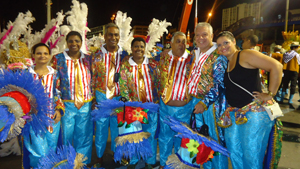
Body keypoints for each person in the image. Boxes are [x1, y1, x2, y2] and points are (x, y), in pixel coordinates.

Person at [216, 31, 282, 169]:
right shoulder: (226, 62)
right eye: (219, 45)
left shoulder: (245, 55)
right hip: (235, 113)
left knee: (251, 156)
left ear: (234, 41)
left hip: (254, 112)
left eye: (226, 43)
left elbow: (276, 66)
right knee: (234, 152)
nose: (223, 47)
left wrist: (270, 94)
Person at [188, 22, 228, 169]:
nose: (200, 38)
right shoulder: (195, 53)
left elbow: (220, 85)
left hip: (210, 106)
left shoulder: (218, 55)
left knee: (214, 142)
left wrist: (204, 103)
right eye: (197, 35)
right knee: (200, 141)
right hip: (194, 102)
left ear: (212, 36)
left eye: (204, 34)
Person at [52, 31, 93, 164]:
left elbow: (94, 79)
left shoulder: (88, 59)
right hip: (67, 104)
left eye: (77, 41)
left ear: (81, 43)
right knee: (66, 136)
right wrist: (57, 105)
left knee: (84, 136)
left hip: (85, 103)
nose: (74, 44)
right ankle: (67, 163)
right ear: (66, 42)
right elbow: (54, 84)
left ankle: (82, 163)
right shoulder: (58, 59)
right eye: (71, 41)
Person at [119, 37, 159, 169]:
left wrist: (157, 99)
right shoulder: (125, 66)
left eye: (141, 46)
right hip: (133, 108)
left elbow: (158, 82)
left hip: (150, 106)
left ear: (145, 48)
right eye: (136, 46)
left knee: (150, 135)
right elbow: (123, 86)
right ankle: (134, 160)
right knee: (134, 135)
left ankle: (150, 161)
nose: (139, 49)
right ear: (131, 48)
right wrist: (130, 103)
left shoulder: (152, 65)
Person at [91, 23, 128, 166]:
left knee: (118, 128)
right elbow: (92, 78)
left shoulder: (125, 55)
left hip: (119, 98)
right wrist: (94, 98)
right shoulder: (96, 56)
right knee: (100, 129)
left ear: (119, 37)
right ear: (105, 36)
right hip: (102, 96)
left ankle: (116, 155)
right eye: (110, 35)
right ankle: (99, 157)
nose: (113, 37)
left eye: (116, 35)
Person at [24, 43, 64, 168]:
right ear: (33, 55)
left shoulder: (55, 74)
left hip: (52, 118)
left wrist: (59, 110)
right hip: (33, 119)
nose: (42, 56)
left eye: (45, 53)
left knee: (52, 150)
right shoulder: (26, 74)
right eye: (39, 53)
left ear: (50, 56)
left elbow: (58, 93)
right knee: (38, 152)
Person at [157, 31, 194, 169]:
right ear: (171, 43)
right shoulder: (162, 58)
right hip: (165, 107)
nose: (181, 44)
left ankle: (178, 166)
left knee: (181, 138)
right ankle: (163, 164)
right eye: (178, 41)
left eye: (184, 42)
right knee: (165, 137)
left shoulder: (192, 59)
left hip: (184, 109)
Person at [281, 42, 300, 108]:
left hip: (286, 70)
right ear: (294, 47)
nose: (298, 48)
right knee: (293, 85)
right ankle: (290, 100)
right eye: (297, 47)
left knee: (285, 84)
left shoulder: (285, 54)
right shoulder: (296, 55)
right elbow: (299, 63)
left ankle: (281, 99)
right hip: (294, 71)